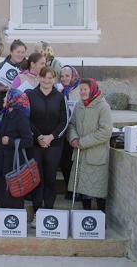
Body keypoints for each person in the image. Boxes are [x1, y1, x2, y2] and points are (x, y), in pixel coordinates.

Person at [26, 67, 68, 228]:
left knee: (50, 179)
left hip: (54, 145)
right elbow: (26, 119)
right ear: (39, 78)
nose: (47, 80)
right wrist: (38, 136)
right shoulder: (30, 95)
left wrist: (51, 137)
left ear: (55, 79)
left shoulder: (60, 97)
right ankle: (37, 213)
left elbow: (64, 121)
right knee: (37, 179)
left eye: (50, 78)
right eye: (44, 77)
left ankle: (48, 212)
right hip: (35, 144)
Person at [0, 88, 33, 227]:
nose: (4, 99)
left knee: (14, 189)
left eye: (6, 96)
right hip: (1, 158)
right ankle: (0, 216)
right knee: (0, 189)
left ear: (13, 100)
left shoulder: (21, 117)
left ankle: (14, 218)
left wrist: (10, 141)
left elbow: (28, 140)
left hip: (14, 160)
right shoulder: (3, 114)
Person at [68, 78, 112, 213]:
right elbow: (72, 125)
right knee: (82, 190)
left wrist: (84, 142)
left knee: (97, 191)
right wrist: (74, 138)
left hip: (95, 156)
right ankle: (84, 220)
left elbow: (105, 131)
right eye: (80, 89)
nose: (82, 92)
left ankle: (100, 221)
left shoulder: (103, 106)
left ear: (92, 89)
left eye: (85, 89)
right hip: (81, 156)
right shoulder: (79, 105)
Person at [59, 65, 81, 199]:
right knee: (66, 162)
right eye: (62, 76)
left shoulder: (81, 90)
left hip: (78, 131)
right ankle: (69, 188)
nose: (65, 78)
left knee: (77, 162)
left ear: (74, 76)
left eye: (67, 76)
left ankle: (78, 189)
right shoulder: (61, 92)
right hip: (64, 132)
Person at [0, 39, 27, 116]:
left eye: (23, 52)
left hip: (22, 106)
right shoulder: (1, 66)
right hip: (2, 105)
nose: (20, 55)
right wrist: (3, 88)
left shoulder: (28, 68)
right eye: (18, 52)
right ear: (11, 51)